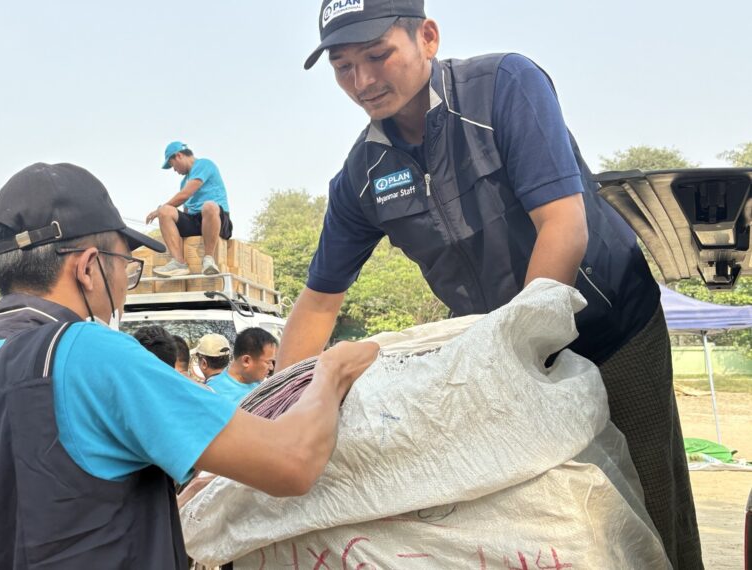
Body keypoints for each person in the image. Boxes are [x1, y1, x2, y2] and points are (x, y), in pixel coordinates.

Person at [285, 2, 701, 566]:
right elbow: (317, 304)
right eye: (343, 67)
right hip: (504, 356)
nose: (362, 81)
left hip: (610, 328)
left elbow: (563, 226)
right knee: (539, 518)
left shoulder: (503, 86)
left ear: (427, 38)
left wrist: (518, 356)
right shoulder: (362, 175)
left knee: (649, 501)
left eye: (378, 55)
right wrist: (275, 412)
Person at [0, 162, 378, 567]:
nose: (124, 287)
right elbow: (291, 461)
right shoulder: (86, 352)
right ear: (89, 267)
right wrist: (331, 370)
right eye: (125, 267)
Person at [146, 142, 233, 277]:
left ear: (179, 156)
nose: (174, 170)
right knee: (165, 211)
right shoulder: (184, 182)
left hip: (216, 218)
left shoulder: (203, 164)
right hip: (195, 221)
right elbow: (185, 209)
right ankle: (179, 263)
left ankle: (208, 259)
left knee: (208, 206)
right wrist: (164, 216)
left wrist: (157, 211)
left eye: (172, 165)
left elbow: (185, 195)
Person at [206, 328, 278, 405]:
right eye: (268, 362)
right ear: (246, 361)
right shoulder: (213, 393)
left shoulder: (261, 384)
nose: (271, 367)